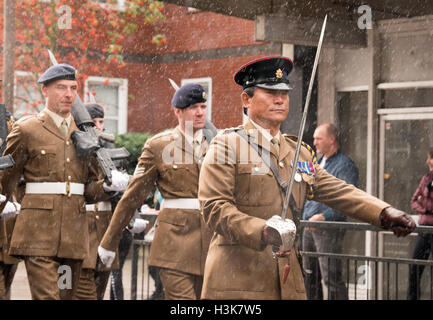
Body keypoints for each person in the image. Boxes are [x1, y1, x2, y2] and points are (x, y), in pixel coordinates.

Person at [197, 56, 416, 300]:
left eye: (284, 93)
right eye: (270, 92)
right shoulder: (227, 146)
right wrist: (262, 230)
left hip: (288, 282)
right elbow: (214, 208)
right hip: (238, 282)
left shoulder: (298, 152)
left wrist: (383, 212)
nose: (279, 99)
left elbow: (338, 190)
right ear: (246, 99)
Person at [0, 63, 129, 300]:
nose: (68, 94)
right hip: (37, 235)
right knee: (48, 297)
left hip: (73, 236)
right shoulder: (27, 130)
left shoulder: (86, 135)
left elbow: (88, 189)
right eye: (61, 87)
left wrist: (107, 188)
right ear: (44, 90)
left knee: (65, 294)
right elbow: (5, 178)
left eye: (73, 88)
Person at [98, 83, 214, 300]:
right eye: (193, 107)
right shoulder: (159, 146)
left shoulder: (218, 145)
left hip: (210, 244)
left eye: (203, 106)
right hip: (174, 244)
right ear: (177, 111)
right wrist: (109, 242)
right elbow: (132, 197)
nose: (199, 112)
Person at [74, 103, 147, 300]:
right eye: (93, 122)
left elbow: (121, 190)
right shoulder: (74, 146)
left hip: (106, 225)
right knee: (80, 288)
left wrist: (133, 216)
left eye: (101, 121)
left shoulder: (109, 146)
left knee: (101, 287)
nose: (98, 126)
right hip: (82, 224)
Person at [301, 123, 358, 300]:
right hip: (308, 227)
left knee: (331, 278)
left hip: (327, 228)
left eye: (319, 138)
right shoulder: (316, 162)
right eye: (314, 139)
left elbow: (345, 199)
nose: (314, 142)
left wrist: (324, 216)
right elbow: (306, 189)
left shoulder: (344, 165)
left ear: (331, 140)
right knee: (310, 276)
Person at [407, 149, 433, 300]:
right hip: (424, 230)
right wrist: (426, 209)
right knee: (414, 269)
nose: (427, 161)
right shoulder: (427, 178)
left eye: (430, 158)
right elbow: (413, 201)